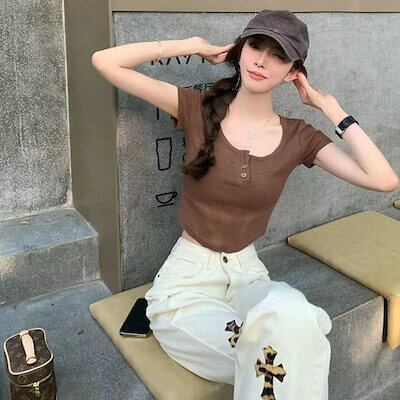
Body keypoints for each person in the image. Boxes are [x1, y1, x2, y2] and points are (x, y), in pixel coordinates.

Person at [91, 9, 399, 400]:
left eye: (278, 55)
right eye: (255, 46)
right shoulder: (196, 108)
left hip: (248, 275)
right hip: (187, 281)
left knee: (292, 318)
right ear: (240, 50)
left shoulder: (299, 137)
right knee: (287, 352)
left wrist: (329, 108)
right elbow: (105, 61)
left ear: (292, 72)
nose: (261, 61)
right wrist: (192, 46)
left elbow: (384, 180)